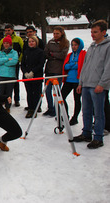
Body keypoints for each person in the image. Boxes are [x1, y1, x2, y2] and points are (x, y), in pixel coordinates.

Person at [72, 20, 110, 149]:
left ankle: (98, 137)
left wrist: (102, 84)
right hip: (86, 84)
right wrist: (81, 82)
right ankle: (86, 133)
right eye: (91, 32)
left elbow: (108, 68)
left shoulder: (108, 47)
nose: (92, 35)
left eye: (95, 32)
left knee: (98, 113)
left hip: (97, 86)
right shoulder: (92, 47)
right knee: (86, 111)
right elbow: (85, 67)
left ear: (103, 32)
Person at [43, 26, 69, 117]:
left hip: (58, 70)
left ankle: (57, 108)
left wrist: (53, 54)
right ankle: (50, 108)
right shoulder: (50, 42)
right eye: (54, 33)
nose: (55, 35)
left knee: (57, 91)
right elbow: (46, 53)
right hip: (49, 69)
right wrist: (53, 55)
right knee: (47, 90)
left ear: (61, 33)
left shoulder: (65, 43)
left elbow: (63, 55)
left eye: (57, 33)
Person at [61, 38, 86, 125]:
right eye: (72, 45)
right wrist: (74, 64)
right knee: (62, 96)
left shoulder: (83, 54)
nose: (74, 47)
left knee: (77, 99)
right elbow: (65, 66)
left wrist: (73, 65)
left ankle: (75, 117)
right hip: (68, 79)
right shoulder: (70, 55)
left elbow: (82, 65)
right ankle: (65, 114)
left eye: (76, 45)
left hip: (78, 80)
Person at [0, 24, 24, 107]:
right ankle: (3, 101)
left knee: (14, 84)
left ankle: (16, 99)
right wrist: (1, 63)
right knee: (2, 86)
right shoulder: (2, 40)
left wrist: (19, 60)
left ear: (12, 30)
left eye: (9, 30)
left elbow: (23, 50)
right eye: (6, 30)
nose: (7, 32)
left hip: (14, 66)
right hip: (3, 68)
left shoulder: (18, 39)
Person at [21, 36, 45, 118]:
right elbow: (23, 63)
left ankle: (35, 108)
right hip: (27, 76)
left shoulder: (40, 52)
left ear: (36, 42)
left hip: (36, 76)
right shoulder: (26, 52)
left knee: (36, 93)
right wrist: (25, 72)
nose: (31, 43)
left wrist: (33, 72)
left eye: (32, 41)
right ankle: (30, 107)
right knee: (29, 93)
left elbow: (41, 64)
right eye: (29, 42)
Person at [0, 35, 19, 113]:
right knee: (0, 92)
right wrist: (7, 59)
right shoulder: (1, 52)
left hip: (10, 75)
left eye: (7, 43)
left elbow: (14, 61)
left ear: (10, 44)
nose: (5, 44)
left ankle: (7, 106)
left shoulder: (14, 52)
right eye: (4, 43)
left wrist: (4, 63)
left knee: (9, 92)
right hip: (1, 75)